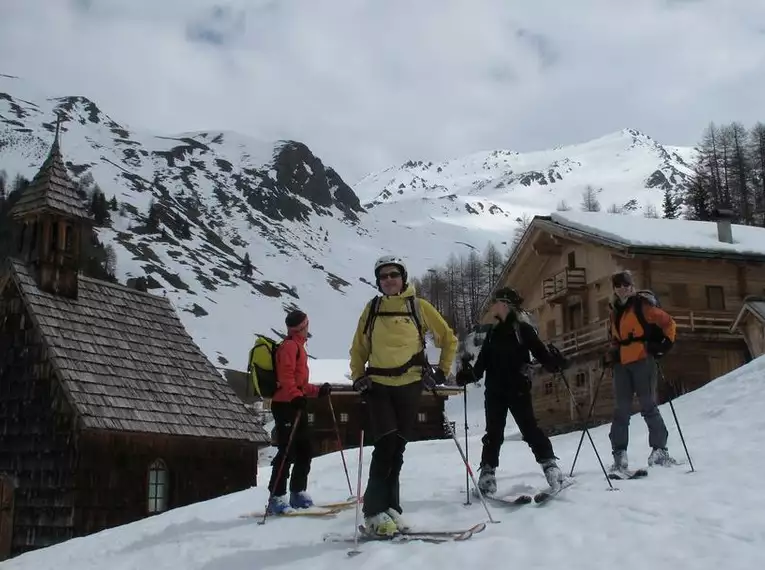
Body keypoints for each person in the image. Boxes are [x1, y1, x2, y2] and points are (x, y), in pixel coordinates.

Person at [349, 255, 458, 536]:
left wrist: (442, 372)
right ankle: (373, 511)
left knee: (397, 448)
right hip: (378, 386)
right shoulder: (371, 309)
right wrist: (357, 375)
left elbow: (448, 338)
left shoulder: (418, 307)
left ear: (403, 277)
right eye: (383, 276)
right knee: (385, 445)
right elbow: (358, 348)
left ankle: (391, 508)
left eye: (393, 275)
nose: (388, 280)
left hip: (410, 385)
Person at [456, 287, 569, 496]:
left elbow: (540, 353)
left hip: (518, 389)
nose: (492, 306)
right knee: (493, 434)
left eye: (495, 302)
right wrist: (468, 375)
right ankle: (487, 476)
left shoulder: (522, 329)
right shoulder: (491, 334)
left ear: (505, 304)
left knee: (530, 430)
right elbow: (480, 367)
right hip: (495, 392)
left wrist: (556, 363)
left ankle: (551, 467)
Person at [605, 270, 677, 471]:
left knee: (648, 406)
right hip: (622, 363)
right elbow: (615, 338)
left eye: (626, 284)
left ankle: (659, 450)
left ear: (631, 285)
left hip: (643, 359)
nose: (622, 289)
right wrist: (611, 353)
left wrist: (664, 345)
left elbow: (668, 323)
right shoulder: (614, 310)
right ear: (614, 289)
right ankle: (619, 454)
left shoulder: (642, 305)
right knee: (621, 410)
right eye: (618, 286)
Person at [267, 309, 332, 514]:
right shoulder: (289, 347)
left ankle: (297, 492)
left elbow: (298, 383)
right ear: (302, 327)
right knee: (287, 451)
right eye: (306, 325)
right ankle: (276, 497)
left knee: (304, 449)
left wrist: (317, 390)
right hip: (285, 405)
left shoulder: (298, 347)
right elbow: (286, 378)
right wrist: (295, 396)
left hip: (294, 403)